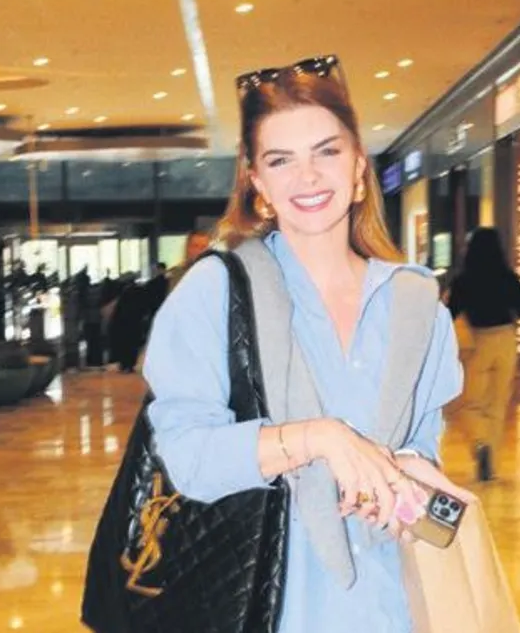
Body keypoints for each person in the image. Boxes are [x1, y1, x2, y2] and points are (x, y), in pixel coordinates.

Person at [142, 55, 470, 632]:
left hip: (392, 604)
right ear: (257, 182)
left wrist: (408, 472)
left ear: (359, 165)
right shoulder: (216, 291)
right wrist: (318, 438)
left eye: (326, 151)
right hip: (268, 604)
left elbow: (422, 440)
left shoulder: (415, 302)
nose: (308, 177)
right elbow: (187, 457)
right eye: (281, 160)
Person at [447, 227, 520, 481]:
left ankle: (480, 442)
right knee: (497, 405)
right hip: (506, 341)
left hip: (479, 342)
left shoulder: (463, 280)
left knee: (469, 404)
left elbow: (449, 313)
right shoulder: (507, 277)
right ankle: (490, 466)